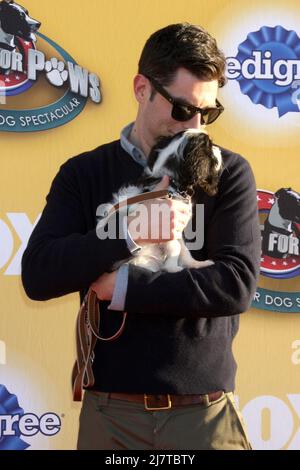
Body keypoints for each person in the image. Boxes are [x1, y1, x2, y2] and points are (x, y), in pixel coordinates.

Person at [21, 23, 261, 450]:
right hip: (110, 413)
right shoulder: (84, 173)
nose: (197, 125)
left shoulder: (227, 171)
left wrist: (126, 288)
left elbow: (235, 285)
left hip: (203, 415)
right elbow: (38, 275)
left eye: (209, 112)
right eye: (183, 109)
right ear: (141, 89)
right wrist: (128, 236)